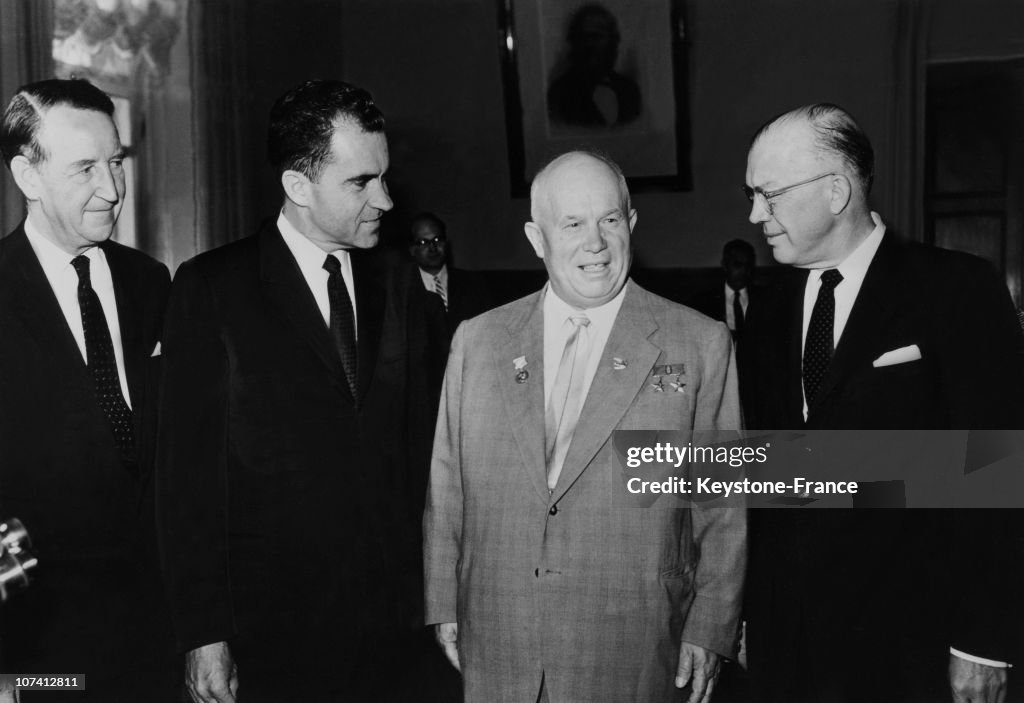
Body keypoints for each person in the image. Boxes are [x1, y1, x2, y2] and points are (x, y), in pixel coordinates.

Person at [423, 150, 746, 703]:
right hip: (500, 635)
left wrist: (711, 625)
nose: (594, 242)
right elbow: (446, 485)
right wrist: (443, 602)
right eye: (572, 224)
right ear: (536, 237)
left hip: (635, 643)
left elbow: (722, 506)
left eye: (610, 220)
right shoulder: (477, 341)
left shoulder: (699, 342)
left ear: (632, 224)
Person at [156, 79, 440, 702]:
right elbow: (188, 482)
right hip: (274, 635)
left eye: (384, 177)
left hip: (397, 631)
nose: (386, 200)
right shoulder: (212, 291)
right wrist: (204, 633)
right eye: (361, 183)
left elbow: (426, 451)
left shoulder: (399, 283)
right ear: (297, 187)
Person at [742, 103, 1024, 702]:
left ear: (836, 191)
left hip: (910, 647)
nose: (753, 215)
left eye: (768, 195)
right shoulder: (764, 312)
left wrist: (982, 641)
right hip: (785, 649)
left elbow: (997, 471)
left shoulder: (956, 290)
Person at [0, 78, 174, 700]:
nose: (112, 189)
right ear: (28, 176)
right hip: (36, 647)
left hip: (158, 639)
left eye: (116, 162)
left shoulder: (153, 283)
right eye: (84, 169)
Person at [547, 3, 642, 128]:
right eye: (583, 37)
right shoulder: (558, 93)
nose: (589, 45)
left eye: (596, 37)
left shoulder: (629, 90)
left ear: (613, 41)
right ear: (573, 42)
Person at [408, 211, 493, 334]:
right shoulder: (402, 291)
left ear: (446, 243)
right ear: (412, 249)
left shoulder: (473, 283)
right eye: (423, 242)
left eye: (437, 240)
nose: (432, 247)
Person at [687, 239, 757, 340]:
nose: (743, 271)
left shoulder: (763, 298)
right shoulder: (704, 300)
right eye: (737, 265)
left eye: (748, 265)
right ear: (725, 265)